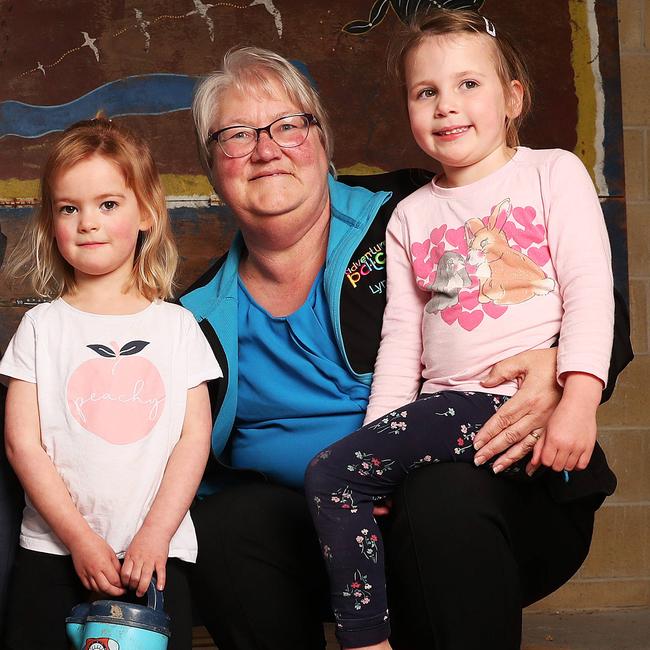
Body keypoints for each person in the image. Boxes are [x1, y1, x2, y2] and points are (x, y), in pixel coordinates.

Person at [182, 46, 632, 650]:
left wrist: (556, 371)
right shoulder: (192, 318)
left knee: (436, 494)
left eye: (288, 125)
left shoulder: (416, 208)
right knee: (220, 527)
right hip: (330, 535)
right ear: (212, 166)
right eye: (236, 136)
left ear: (322, 138)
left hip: (493, 495)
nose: (267, 150)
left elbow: (588, 296)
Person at [303, 10, 615, 650]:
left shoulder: (553, 173)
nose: (448, 107)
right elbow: (401, 347)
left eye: (469, 84)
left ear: (514, 98)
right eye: (427, 92)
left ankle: (365, 639)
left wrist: (578, 397)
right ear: (409, 110)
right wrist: (376, 443)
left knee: (329, 478)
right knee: (352, 474)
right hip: (444, 411)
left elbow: (589, 290)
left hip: (518, 409)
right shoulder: (410, 217)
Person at [0, 117, 221, 650]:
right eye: (68, 208)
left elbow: (195, 441)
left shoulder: (177, 326)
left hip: (154, 558)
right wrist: (78, 538)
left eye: (108, 204)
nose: (87, 223)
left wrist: (155, 535)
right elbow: (21, 442)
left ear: (145, 212)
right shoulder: (41, 327)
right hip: (53, 553)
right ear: (51, 222)